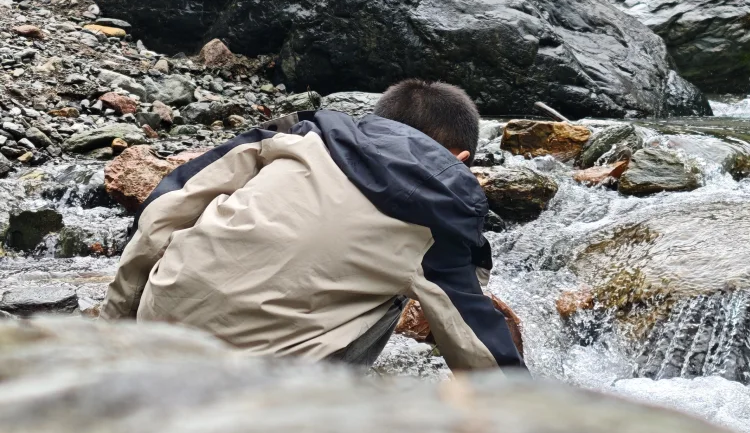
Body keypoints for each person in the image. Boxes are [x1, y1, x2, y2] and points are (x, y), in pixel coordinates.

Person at [101, 78, 524, 371]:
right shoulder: (438, 210)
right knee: (406, 289)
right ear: (460, 159)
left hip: (157, 329)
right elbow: (477, 343)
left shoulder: (299, 134)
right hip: (260, 378)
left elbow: (161, 216)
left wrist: (110, 334)